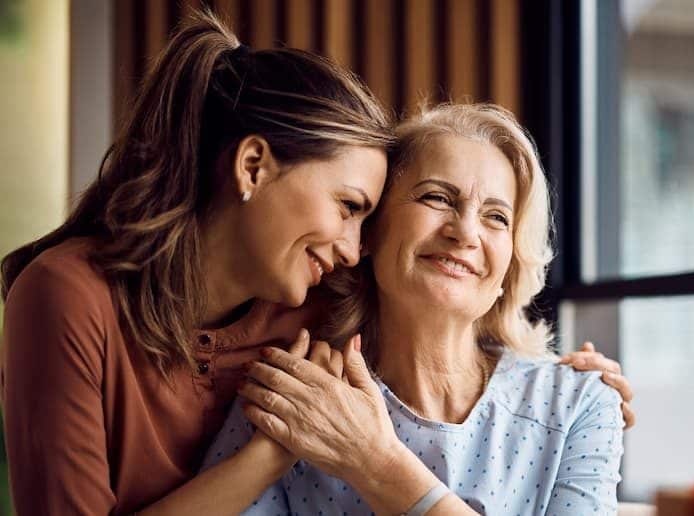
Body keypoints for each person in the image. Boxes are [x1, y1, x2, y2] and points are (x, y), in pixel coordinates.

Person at [0, 11, 631, 515]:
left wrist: (579, 384)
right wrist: (273, 453)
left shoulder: (315, 308)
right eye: (350, 207)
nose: (352, 249)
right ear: (252, 167)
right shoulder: (71, 296)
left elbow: (446, 311)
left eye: (497, 215)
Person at [203, 104, 627, 515]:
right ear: (369, 232)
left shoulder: (579, 404)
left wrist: (377, 463)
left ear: (510, 268)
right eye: (437, 198)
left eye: (496, 217)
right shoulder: (295, 391)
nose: (465, 233)